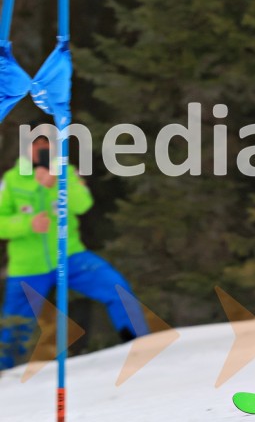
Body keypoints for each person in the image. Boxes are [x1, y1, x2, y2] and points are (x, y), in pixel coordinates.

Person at [0, 126, 147, 370]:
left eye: (46, 145)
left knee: (116, 287)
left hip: (70, 256)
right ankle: (5, 371)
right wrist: (28, 223)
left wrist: (58, 182)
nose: (41, 150)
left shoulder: (66, 172)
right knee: (16, 324)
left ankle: (140, 345)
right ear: (26, 147)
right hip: (28, 265)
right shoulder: (12, 180)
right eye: (35, 145)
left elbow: (83, 204)